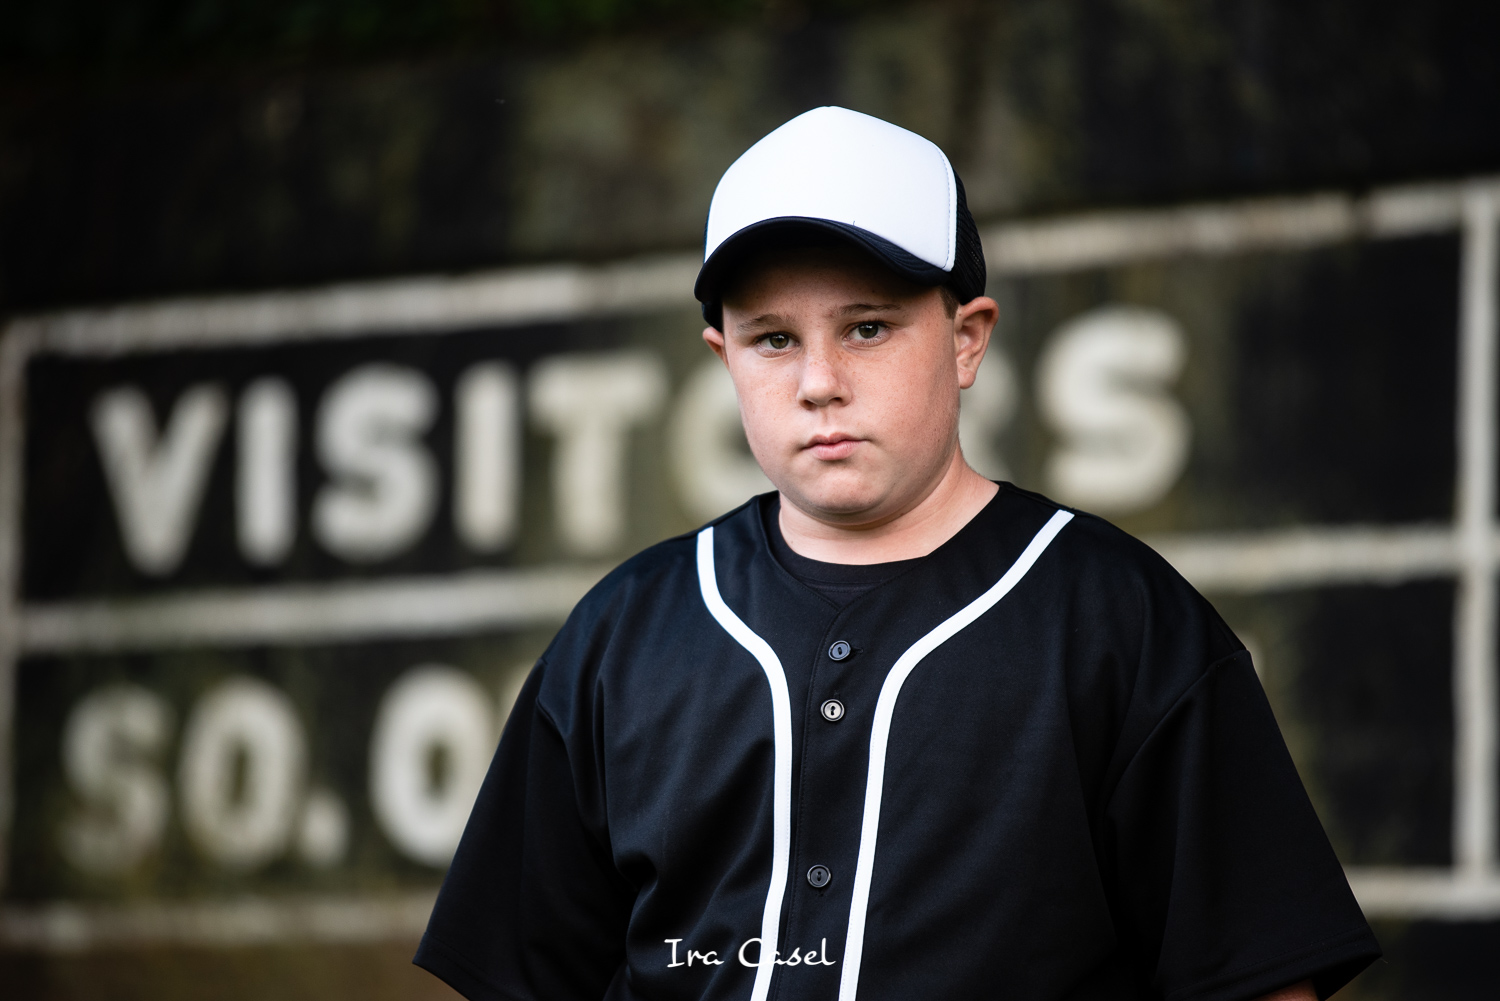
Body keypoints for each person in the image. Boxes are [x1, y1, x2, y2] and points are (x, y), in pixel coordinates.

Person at [415, 106, 1380, 1001]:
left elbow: (1261, 978)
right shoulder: (625, 631)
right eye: (773, 339)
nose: (819, 382)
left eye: (868, 327)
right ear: (723, 359)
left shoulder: (1121, 623)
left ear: (967, 339)